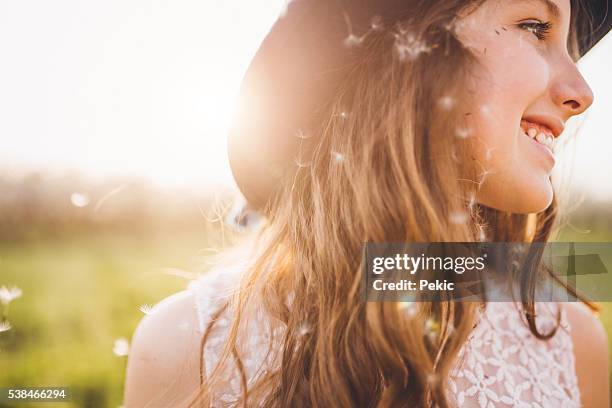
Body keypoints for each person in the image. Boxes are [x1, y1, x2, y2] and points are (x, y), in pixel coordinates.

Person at [124, 0, 611, 406]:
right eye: (535, 28)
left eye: (570, 48)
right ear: (410, 54)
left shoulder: (571, 343)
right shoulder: (187, 348)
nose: (582, 92)